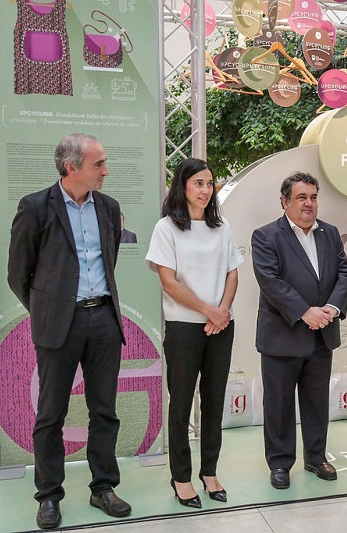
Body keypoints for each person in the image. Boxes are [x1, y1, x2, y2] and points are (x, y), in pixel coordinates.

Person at [7, 134, 130, 529]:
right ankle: (48, 495)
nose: (106, 171)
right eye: (99, 164)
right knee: (51, 414)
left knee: (104, 409)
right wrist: (50, 311)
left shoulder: (109, 207)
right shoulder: (35, 207)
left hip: (104, 320)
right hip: (60, 324)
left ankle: (103, 487)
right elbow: (18, 274)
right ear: (71, 167)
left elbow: (109, 259)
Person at [145, 158, 243, 507]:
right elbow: (169, 283)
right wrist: (208, 310)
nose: (205, 190)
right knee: (182, 403)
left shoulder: (221, 226)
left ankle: (210, 471)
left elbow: (233, 273)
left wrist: (222, 311)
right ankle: (181, 477)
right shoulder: (167, 228)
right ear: (183, 186)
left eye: (209, 183)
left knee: (214, 401)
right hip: (184, 328)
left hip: (221, 326)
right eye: (198, 183)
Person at [251, 171, 347, 490]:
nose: (309, 203)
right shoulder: (266, 236)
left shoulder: (330, 233)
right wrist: (305, 312)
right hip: (282, 337)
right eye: (301, 197)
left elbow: (345, 273)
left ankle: (316, 457)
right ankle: (280, 463)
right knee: (278, 406)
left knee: (316, 403)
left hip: (322, 335)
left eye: (313, 197)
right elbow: (271, 281)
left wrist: (332, 308)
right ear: (285, 202)